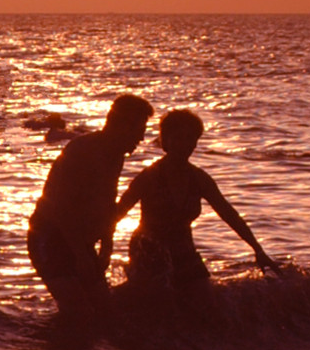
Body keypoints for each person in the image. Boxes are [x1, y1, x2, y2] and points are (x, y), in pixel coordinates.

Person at [114, 110, 274, 298]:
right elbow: (117, 213)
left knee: (205, 302)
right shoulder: (149, 177)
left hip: (184, 248)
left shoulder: (199, 179)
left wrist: (258, 249)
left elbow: (228, 214)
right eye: (178, 138)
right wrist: (95, 250)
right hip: (150, 248)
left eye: (190, 139)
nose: (184, 144)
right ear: (165, 141)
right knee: (158, 301)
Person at [27, 93, 152, 326]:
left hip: (80, 243)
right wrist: (81, 254)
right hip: (49, 239)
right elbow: (62, 208)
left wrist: (107, 245)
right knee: (79, 313)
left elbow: (107, 204)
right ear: (122, 125)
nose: (143, 137)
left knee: (106, 313)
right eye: (139, 129)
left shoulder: (116, 154)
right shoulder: (82, 150)